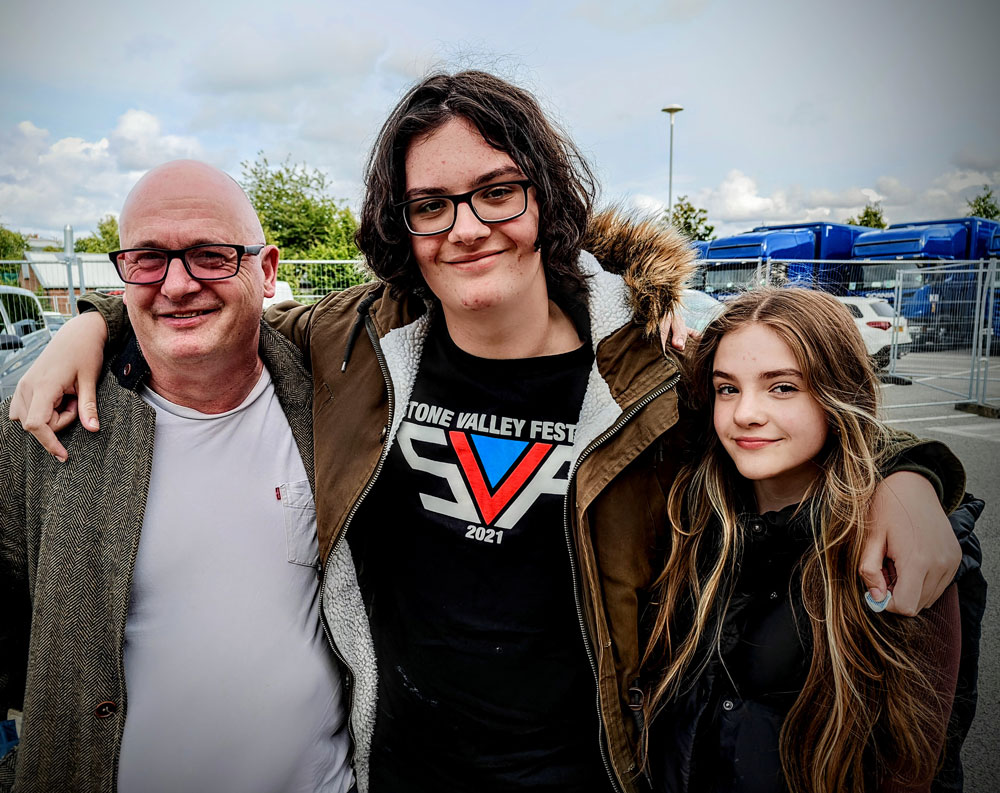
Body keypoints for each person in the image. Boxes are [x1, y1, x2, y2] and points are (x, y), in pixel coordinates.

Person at [8, 72, 966, 793]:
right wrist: (92, 322)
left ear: (543, 197)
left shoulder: (649, 370)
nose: (466, 227)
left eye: (496, 191)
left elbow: (792, 425)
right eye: (430, 205)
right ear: (403, 226)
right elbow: (203, 299)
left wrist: (911, 474)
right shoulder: (354, 344)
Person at [0, 161, 356, 793]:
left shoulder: (332, 398)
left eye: (211, 255)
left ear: (267, 270)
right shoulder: (42, 429)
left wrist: (93, 319)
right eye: (148, 259)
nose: (178, 284)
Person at [640, 287, 979, 793]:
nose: (745, 412)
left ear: (838, 394)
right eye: (727, 388)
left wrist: (912, 476)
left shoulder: (895, 551)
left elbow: (908, 765)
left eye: (782, 387)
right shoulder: (689, 517)